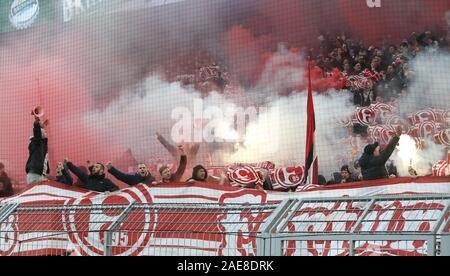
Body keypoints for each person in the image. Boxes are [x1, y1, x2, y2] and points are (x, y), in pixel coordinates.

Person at [25, 112, 50, 184]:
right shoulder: (37, 142)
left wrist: (42, 126)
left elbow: (41, 137)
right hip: (35, 176)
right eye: (44, 132)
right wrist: (36, 122)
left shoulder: (40, 144)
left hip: (38, 175)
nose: (46, 133)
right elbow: (37, 134)